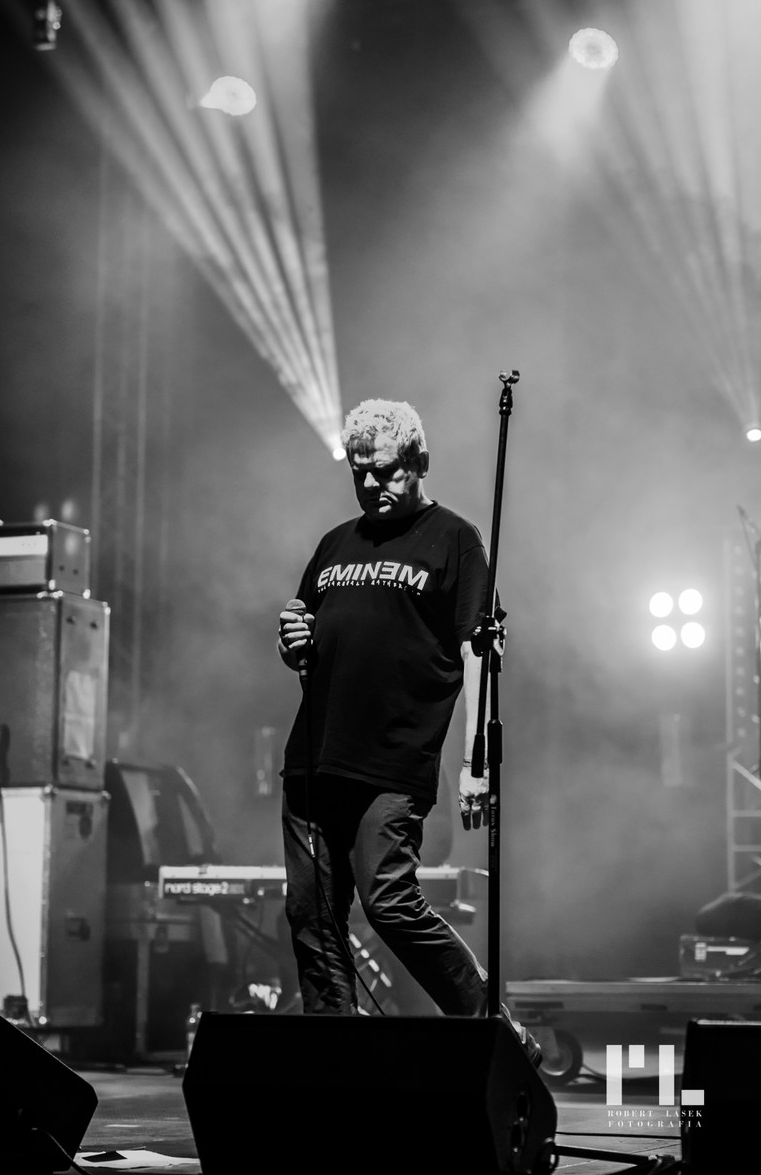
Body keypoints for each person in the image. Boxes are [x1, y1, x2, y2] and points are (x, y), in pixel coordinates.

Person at [277, 398, 539, 1064]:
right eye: (359, 472)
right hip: (313, 759)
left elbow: (480, 651)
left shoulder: (454, 539)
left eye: (387, 470)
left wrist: (476, 761)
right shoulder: (335, 544)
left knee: (389, 901)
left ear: (419, 462)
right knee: (312, 917)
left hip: (392, 762)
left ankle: (496, 1033)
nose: (372, 484)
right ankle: (336, 1065)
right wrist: (292, 639)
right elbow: (306, 640)